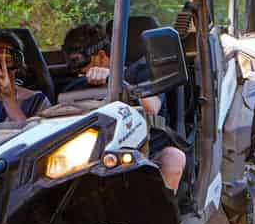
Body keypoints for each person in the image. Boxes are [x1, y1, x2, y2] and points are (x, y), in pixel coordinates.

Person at [60, 23, 187, 193]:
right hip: (91, 153)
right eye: (71, 63)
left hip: (144, 151)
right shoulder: (75, 85)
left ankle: (159, 215)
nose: (77, 71)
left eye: (79, 62)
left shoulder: (139, 72)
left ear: (101, 55)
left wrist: (114, 79)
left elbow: (151, 108)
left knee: (174, 158)